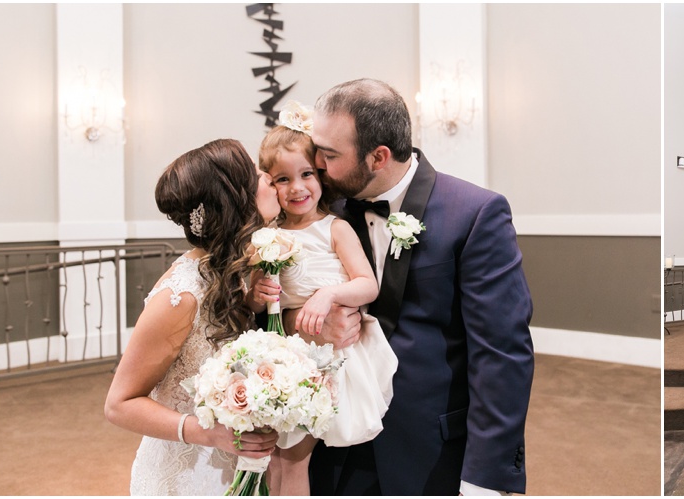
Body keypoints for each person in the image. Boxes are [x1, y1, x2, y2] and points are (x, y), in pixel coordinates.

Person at [297, 79, 534, 495]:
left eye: (330, 155)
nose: (316, 163)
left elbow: (501, 352)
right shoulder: (323, 211)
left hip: (431, 451)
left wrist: (485, 477)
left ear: (378, 157)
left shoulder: (476, 213)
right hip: (332, 442)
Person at [105, 139, 284, 495]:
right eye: (256, 174)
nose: (268, 177)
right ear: (236, 200)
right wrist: (209, 434)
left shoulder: (240, 270)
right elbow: (119, 404)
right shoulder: (181, 295)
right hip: (184, 476)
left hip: (234, 465)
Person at [252, 112, 397, 495]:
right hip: (283, 355)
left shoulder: (334, 228)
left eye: (306, 174)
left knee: (293, 457)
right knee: (274, 456)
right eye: (282, 179)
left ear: (321, 176)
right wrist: (257, 295)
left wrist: (329, 294)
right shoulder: (268, 234)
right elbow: (257, 305)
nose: (297, 187)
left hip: (329, 357)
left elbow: (367, 285)